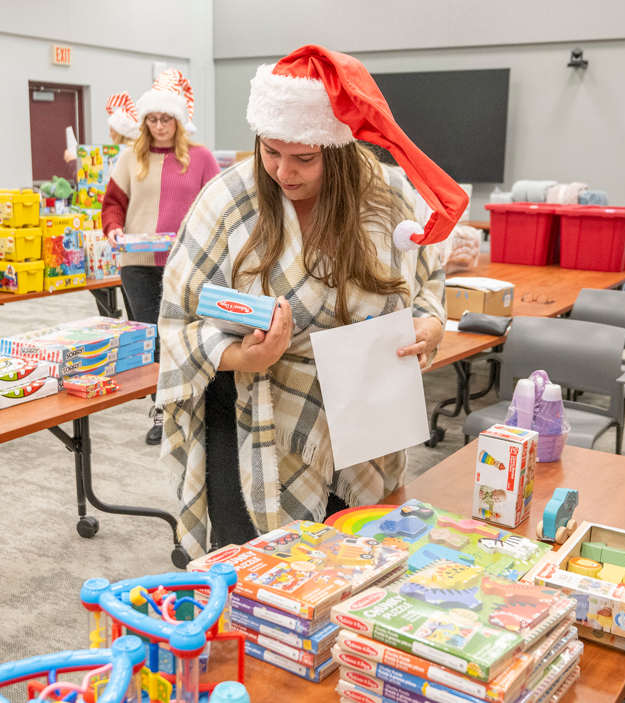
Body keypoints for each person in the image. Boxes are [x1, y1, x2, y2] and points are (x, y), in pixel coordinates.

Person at [157, 46, 468, 557]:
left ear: (340, 150)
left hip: (365, 407)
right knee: (256, 566)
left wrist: (429, 326)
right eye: (270, 152)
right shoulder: (227, 200)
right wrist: (247, 356)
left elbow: (428, 286)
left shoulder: (387, 197)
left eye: (305, 158)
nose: (284, 172)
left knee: (353, 558)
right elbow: (178, 323)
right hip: (248, 413)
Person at [101, 69, 221, 446]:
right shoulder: (129, 158)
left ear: (179, 120)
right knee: (153, 336)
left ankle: (195, 404)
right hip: (138, 265)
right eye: (152, 119)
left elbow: (220, 206)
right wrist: (113, 230)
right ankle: (162, 411)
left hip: (187, 266)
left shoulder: (200, 159)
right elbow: (112, 205)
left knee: (186, 336)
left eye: (165, 118)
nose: (158, 125)